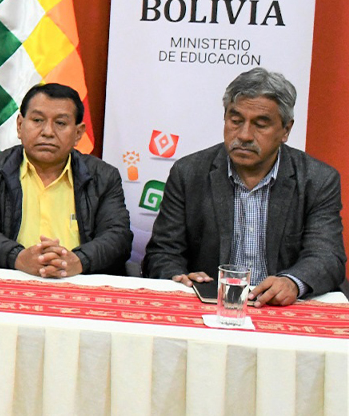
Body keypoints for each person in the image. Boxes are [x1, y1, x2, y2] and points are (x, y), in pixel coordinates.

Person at [143, 67, 345, 305]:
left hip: (279, 308)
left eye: (260, 124)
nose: (245, 135)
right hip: (209, 306)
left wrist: (292, 282)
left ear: (286, 130)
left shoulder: (317, 179)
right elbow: (163, 252)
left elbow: (326, 255)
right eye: (236, 121)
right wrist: (181, 277)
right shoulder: (189, 173)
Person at [0, 83, 132, 277]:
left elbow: (118, 237)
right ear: (19, 125)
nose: (48, 132)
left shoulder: (104, 177)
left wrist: (77, 261)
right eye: (38, 120)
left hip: (78, 283)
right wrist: (20, 258)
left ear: (78, 133)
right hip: (8, 278)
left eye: (60, 123)